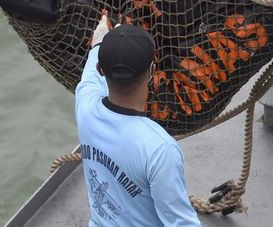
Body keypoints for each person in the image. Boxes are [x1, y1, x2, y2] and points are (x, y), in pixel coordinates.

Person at [75, 15, 202, 226]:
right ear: (152, 71)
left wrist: (100, 42)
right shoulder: (160, 149)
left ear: (100, 69)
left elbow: (90, 73)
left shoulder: (85, 106)